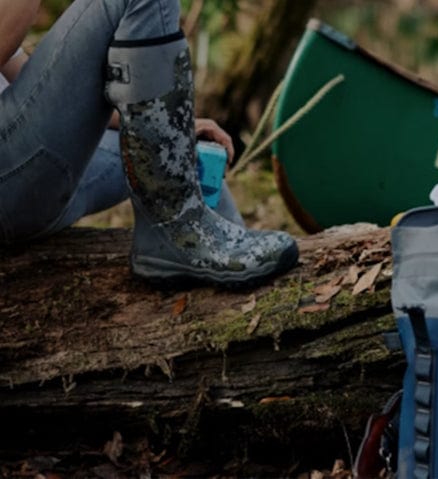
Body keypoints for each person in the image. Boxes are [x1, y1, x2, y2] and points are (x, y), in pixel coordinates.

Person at [0, 0, 298, 286]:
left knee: (183, 154)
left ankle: (226, 270)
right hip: (12, 181)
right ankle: (176, 233)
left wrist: (165, 122)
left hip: (31, 172)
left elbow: (29, 84)